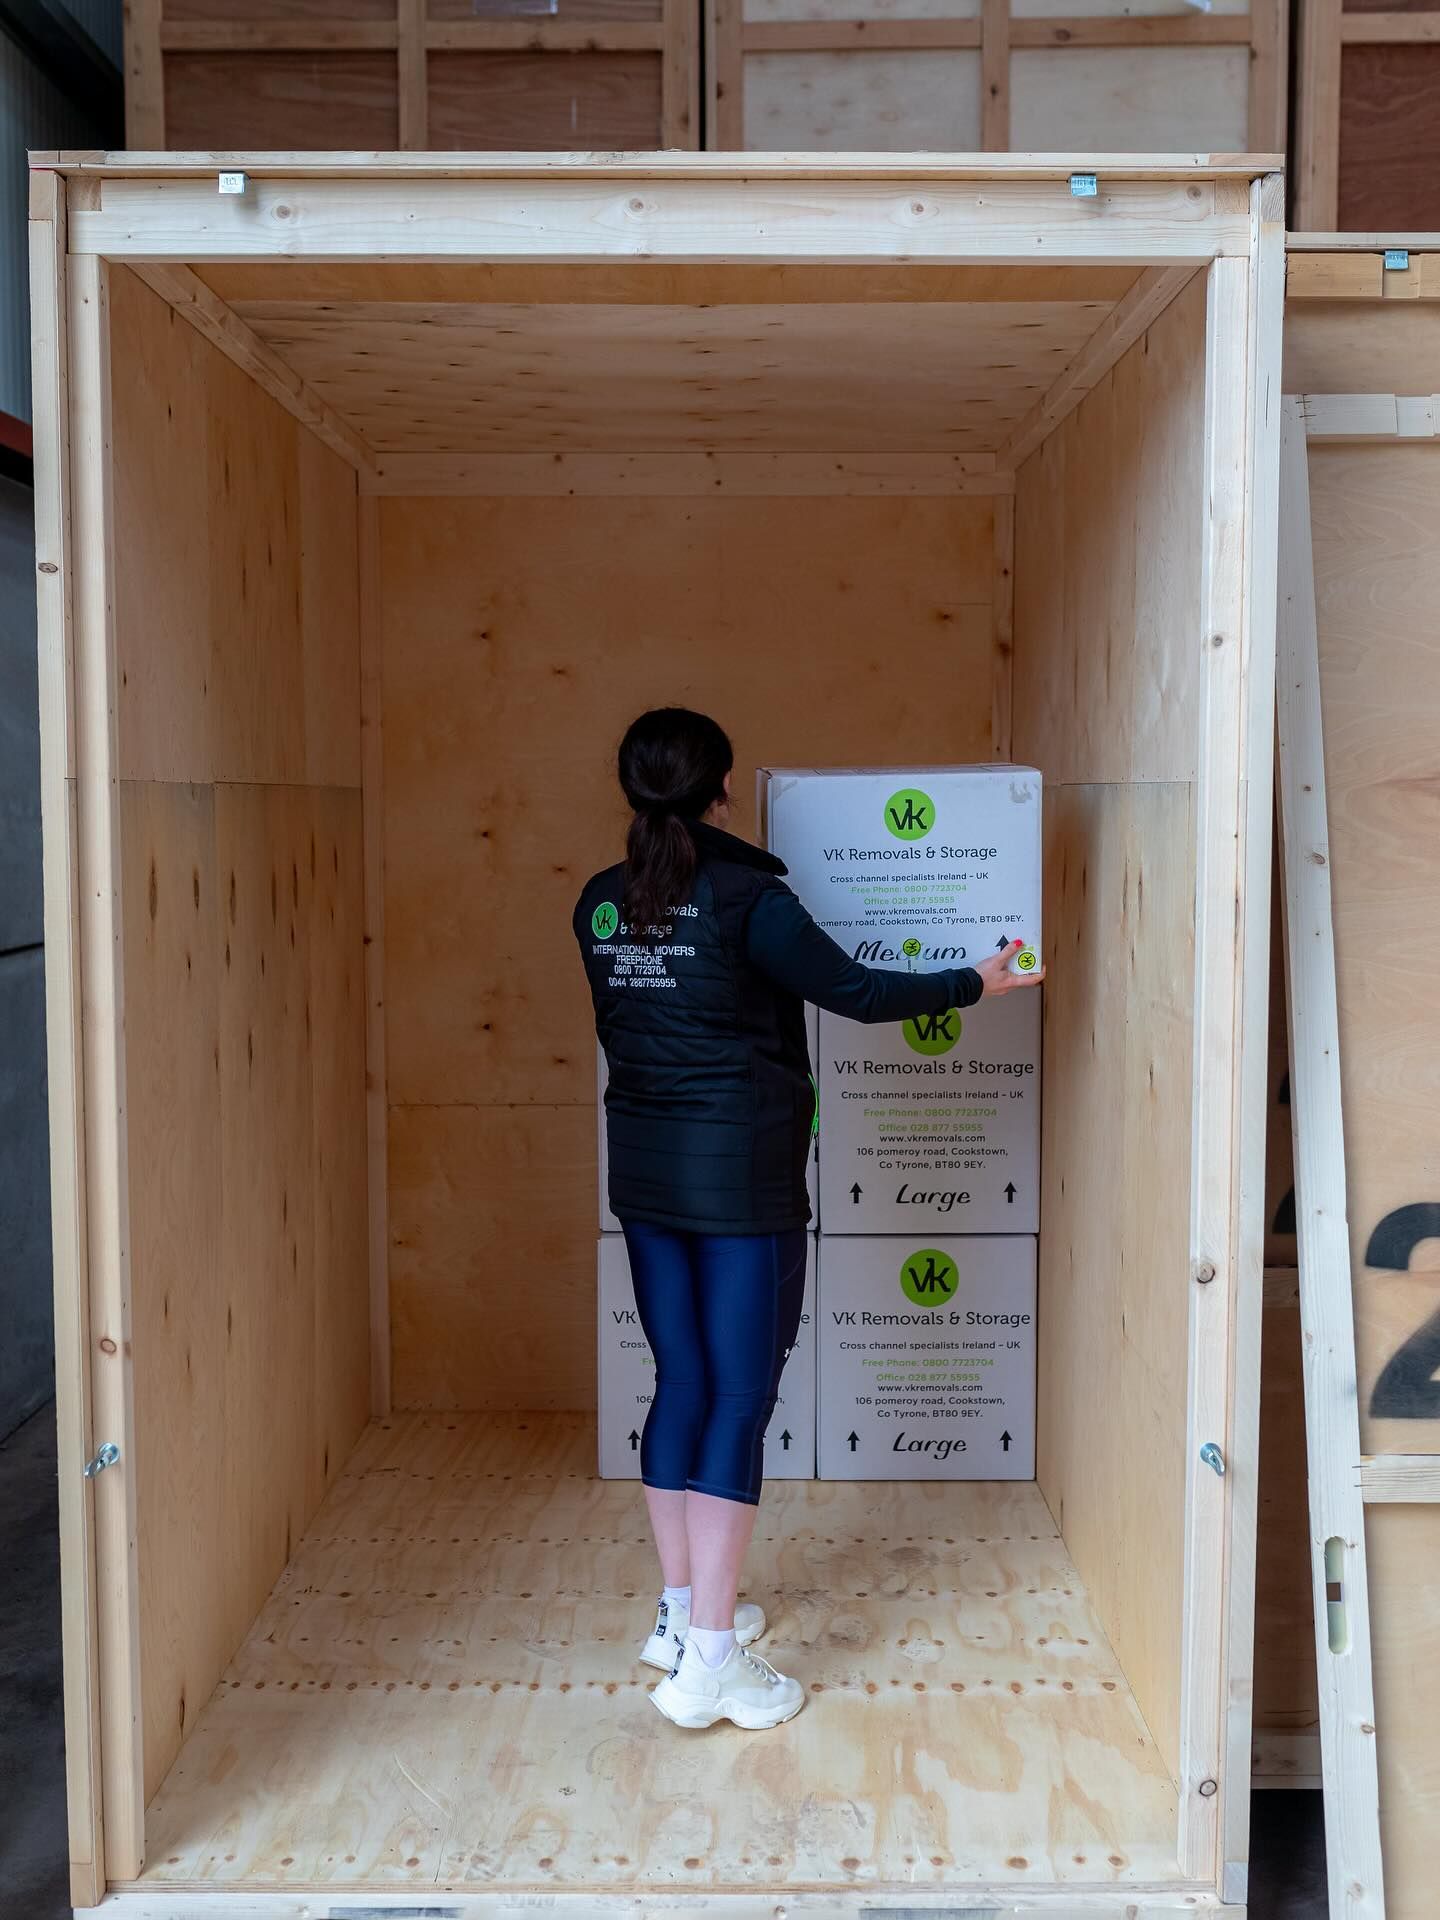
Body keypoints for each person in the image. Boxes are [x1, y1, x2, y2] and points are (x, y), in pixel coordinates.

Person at [573, 708, 1045, 1732]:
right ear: (722, 792)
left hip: (648, 1180)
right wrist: (980, 979)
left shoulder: (601, 907)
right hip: (741, 1183)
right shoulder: (747, 898)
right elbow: (861, 993)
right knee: (740, 1399)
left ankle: (677, 1612)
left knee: (683, 1385)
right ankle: (711, 1665)